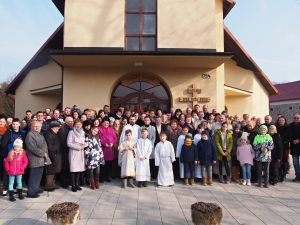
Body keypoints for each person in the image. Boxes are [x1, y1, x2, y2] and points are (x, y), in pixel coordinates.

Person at [25, 121, 52, 198]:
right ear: (31, 127)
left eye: (38, 126)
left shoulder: (39, 134)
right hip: (35, 159)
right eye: (35, 126)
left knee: (38, 176)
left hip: (41, 160)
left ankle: (35, 188)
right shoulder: (30, 135)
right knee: (34, 176)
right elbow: (32, 148)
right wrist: (42, 153)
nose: (37, 128)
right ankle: (31, 192)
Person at [67, 119, 85, 192]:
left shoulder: (83, 132)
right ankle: (73, 185)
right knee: (73, 170)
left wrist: (84, 145)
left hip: (81, 153)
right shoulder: (71, 132)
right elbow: (69, 143)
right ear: (74, 125)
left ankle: (77, 184)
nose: (78, 125)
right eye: (77, 124)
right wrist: (79, 147)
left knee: (79, 170)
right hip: (74, 152)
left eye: (80, 124)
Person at [44, 121, 63, 191]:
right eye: (56, 129)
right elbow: (50, 146)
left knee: (54, 170)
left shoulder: (55, 134)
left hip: (56, 154)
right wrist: (56, 151)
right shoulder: (49, 134)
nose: (57, 130)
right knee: (50, 171)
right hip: (52, 155)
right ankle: (48, 185)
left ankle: (52, 184)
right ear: (52, 128)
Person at [98, 118, 117, 183]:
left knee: (108, 164)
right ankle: (101, 177)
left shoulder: (111, 129)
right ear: (102, 123)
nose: (106, 124)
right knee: (102, 164)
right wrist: (104, 144)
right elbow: (98, 138)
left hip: (110, 148)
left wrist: (112, 143)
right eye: (105, 123)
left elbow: (115, 138)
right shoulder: (99, 129)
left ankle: (106, 177)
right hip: (103, 148)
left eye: (107, 123)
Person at [59, 116, 73, 189]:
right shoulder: (63, 129)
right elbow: (63, 141)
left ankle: (68, 180)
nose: (71, 122)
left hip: (70, 150)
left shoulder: (72, 128)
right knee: (65, 167)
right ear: (66, 121)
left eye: (72, 121)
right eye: (69, 121)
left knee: (69, 167)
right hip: (65, 150)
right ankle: (63, 182)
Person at [276, 116, 292, 182]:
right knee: (278, 161)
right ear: (278, 121)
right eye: (280, 120)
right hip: (277, 147)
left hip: (285, 147)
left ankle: (284, 175)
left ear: (285, 121)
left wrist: (284, 142)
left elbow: (290, 137)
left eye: (282, 120)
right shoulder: (276, 127)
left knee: (285, 161)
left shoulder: (288, 128)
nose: (281, 121)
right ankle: (279, 175)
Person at [289, 113, 300, 182]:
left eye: (297, 118)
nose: (296, 119)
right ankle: (298, 175)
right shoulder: (290, 125)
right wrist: (292, 140)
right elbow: (289, 135)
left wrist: (299, 140)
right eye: (295, 118)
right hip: (294, 146)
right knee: (295, 162)